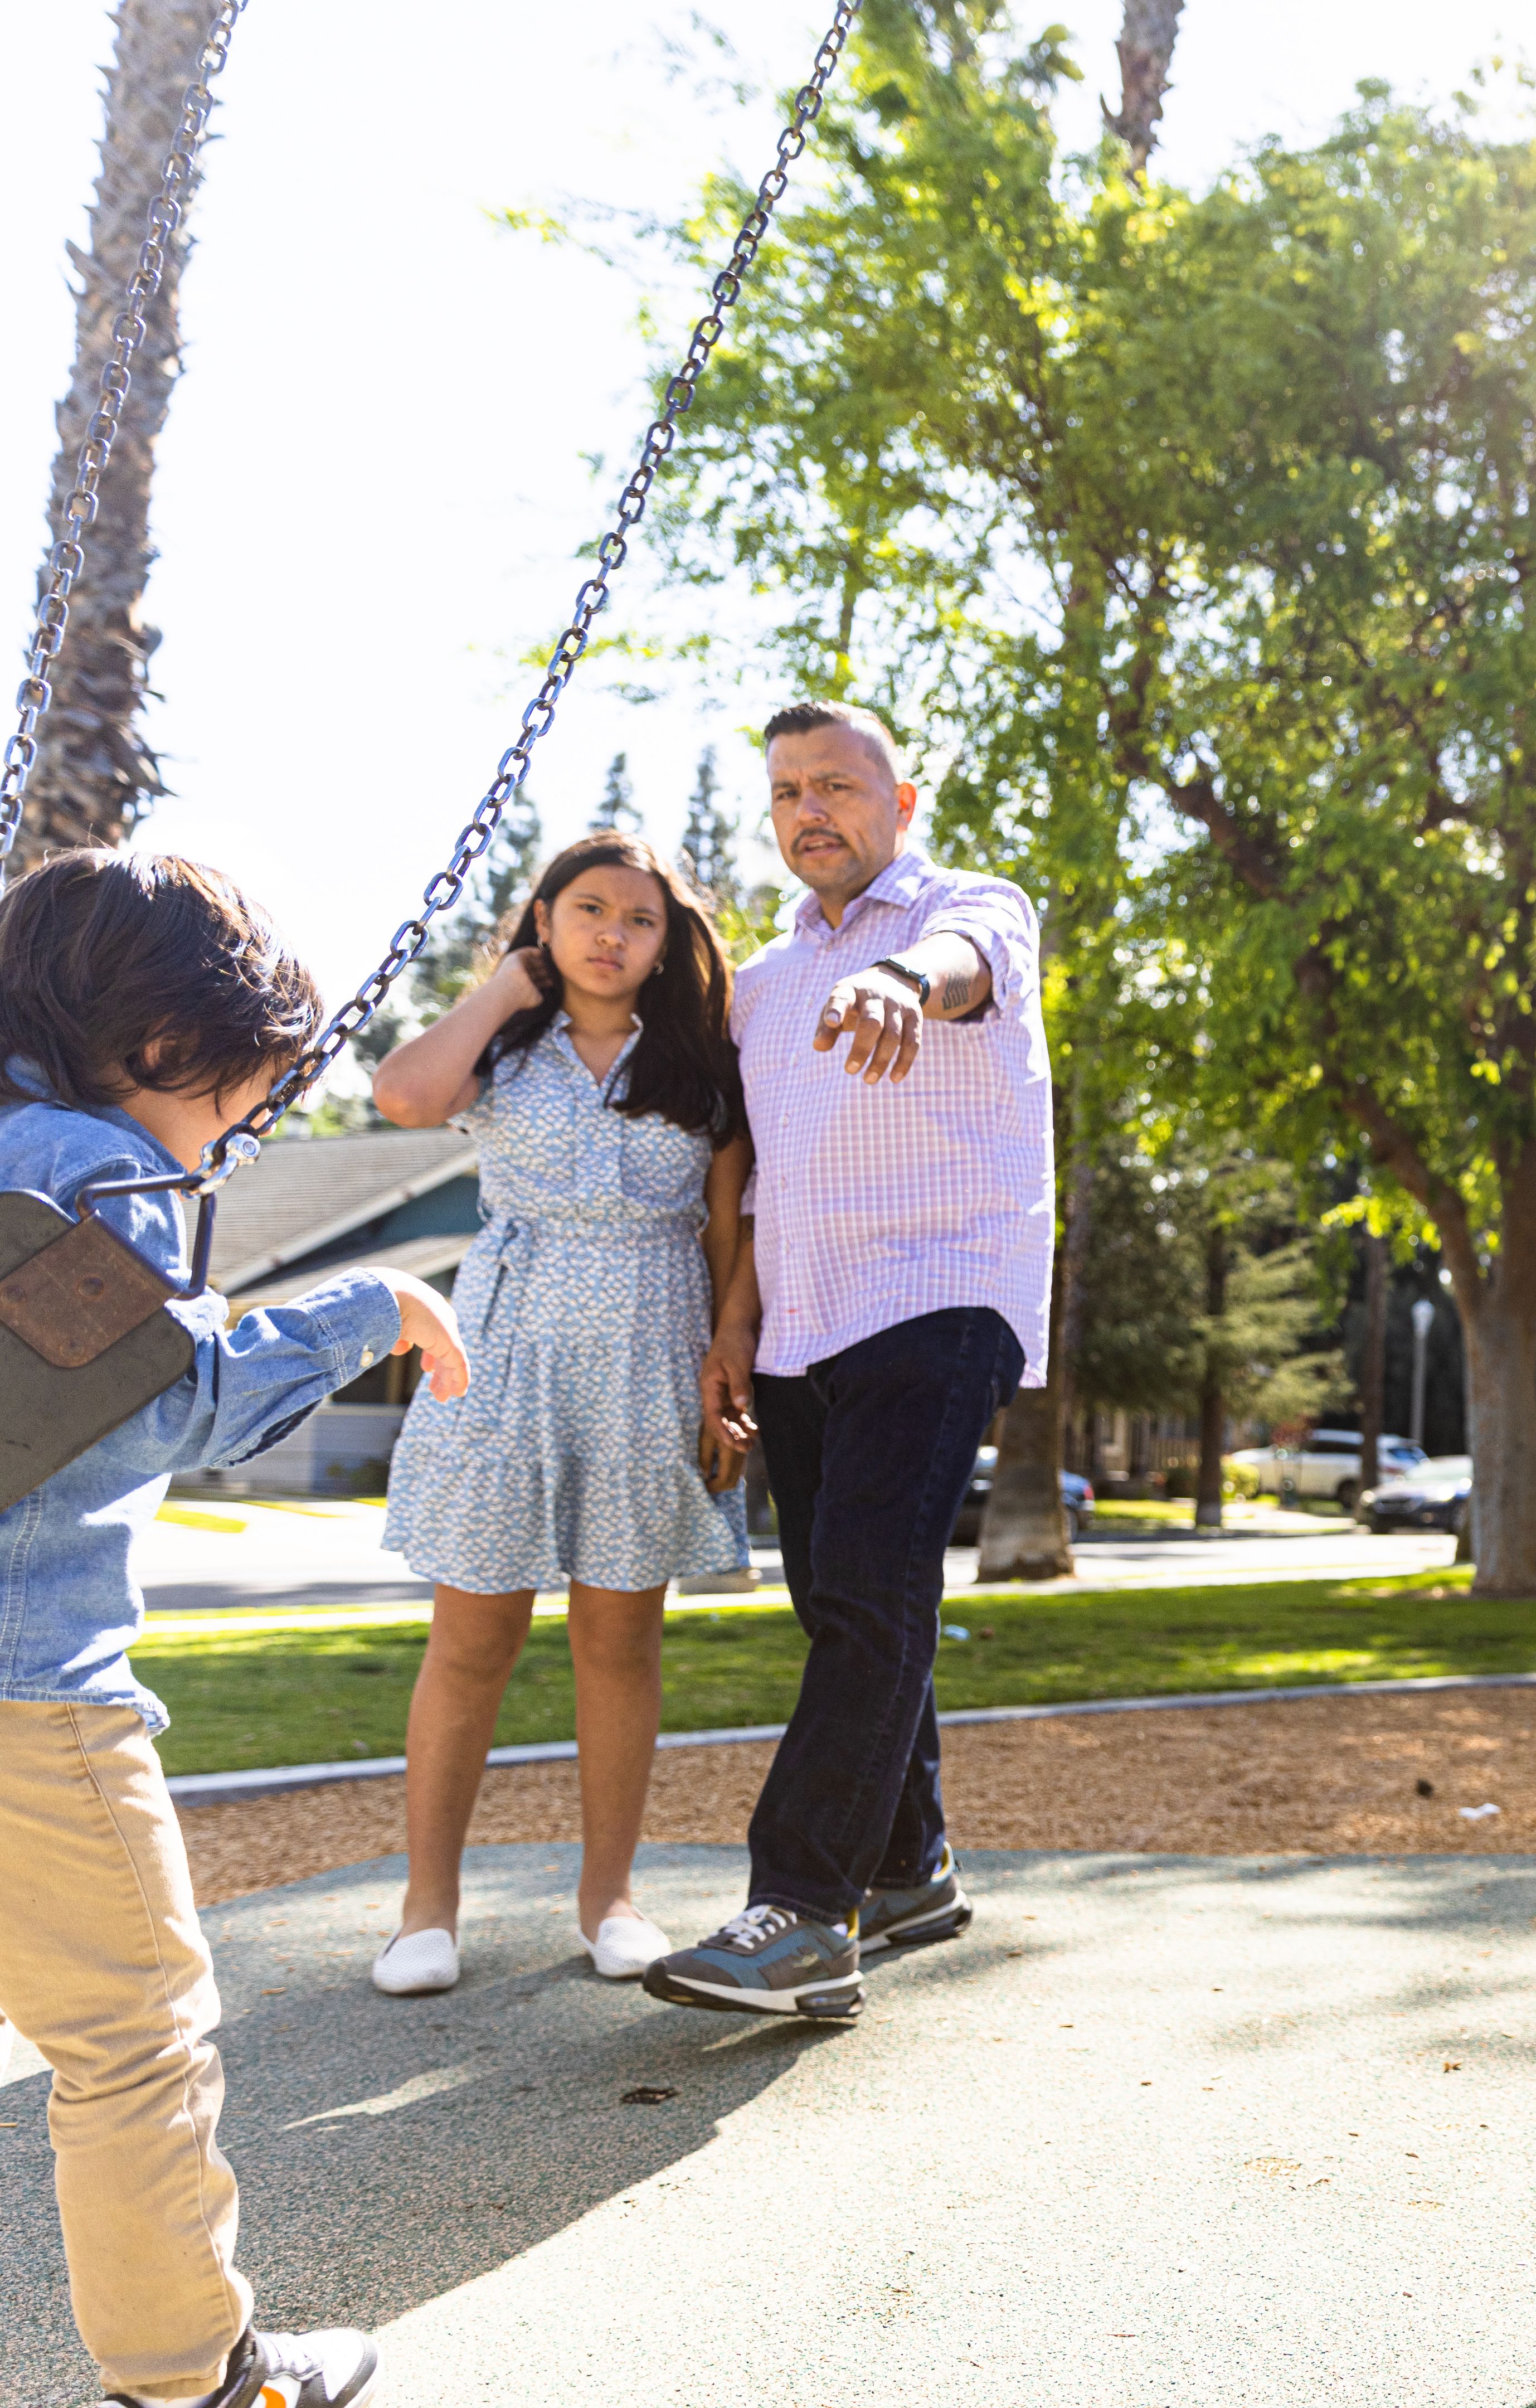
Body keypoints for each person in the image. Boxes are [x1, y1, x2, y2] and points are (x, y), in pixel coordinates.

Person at [0, 852, 469, 2407]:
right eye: (234, 1109)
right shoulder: (85, 1167)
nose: (233, 1144)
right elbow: (172, 1397)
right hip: (29, 1703)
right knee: (132, 2039)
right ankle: (198, 2379)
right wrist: (376, 1310)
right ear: (155, 1047)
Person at [644, 699, 1051, 2020]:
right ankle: (912, 1865)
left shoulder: (972, 908)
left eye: (837, 785)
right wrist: (735, 1323)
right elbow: (767, 1183)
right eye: (785, 794)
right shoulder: (761, 986)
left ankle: (808, 1913)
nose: (809, 810)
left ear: (902, 801)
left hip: (940, 1296)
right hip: (801, 1322)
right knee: (844, 1608)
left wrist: (898, 980)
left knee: (874, 1592)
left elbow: (966, 958)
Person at [365, 831, 755, 1994]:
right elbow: (401, 1095)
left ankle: (610, 1899)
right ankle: (426, 1913)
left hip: (651, 1354)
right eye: (586, 910)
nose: (610, 935)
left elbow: (732, 1235)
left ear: (665, 939)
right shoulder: (507, 1045)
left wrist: (729, 1354)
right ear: (546, 921)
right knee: (472, 1640)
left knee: (620, 1641)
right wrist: (499, 989)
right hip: (503, 1357)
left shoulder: (699, 1066)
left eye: (637, 919)